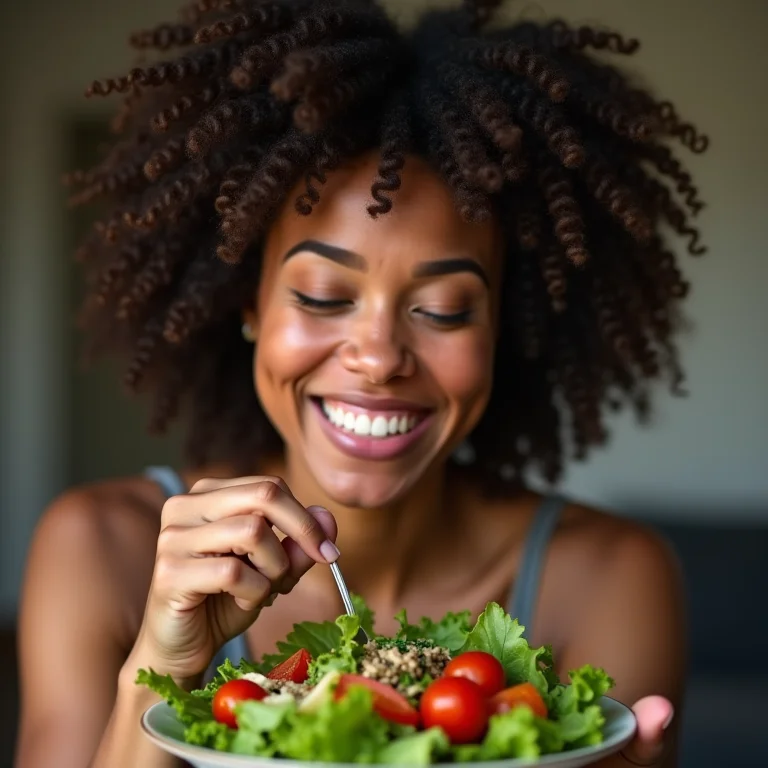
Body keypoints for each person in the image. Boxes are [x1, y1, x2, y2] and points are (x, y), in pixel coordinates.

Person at [15, 0, 708, 765]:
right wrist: (162, 666)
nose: (378, 356)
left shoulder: (613, 575)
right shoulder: (97, 547)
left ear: (502, 331)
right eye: (321, 297)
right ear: (249, 304)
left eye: (444, 310)